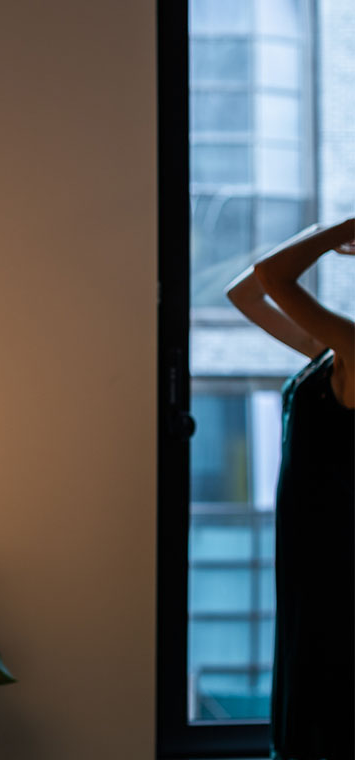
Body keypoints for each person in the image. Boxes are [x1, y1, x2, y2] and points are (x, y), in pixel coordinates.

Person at [226, 217, 355, 760]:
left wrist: (343, 228)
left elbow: (273, 278)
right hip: (310, 551)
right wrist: (330, 229)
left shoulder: (354, 346)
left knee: (329, 700)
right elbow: (245, 294)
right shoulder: (333, 349)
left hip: (335, 556)